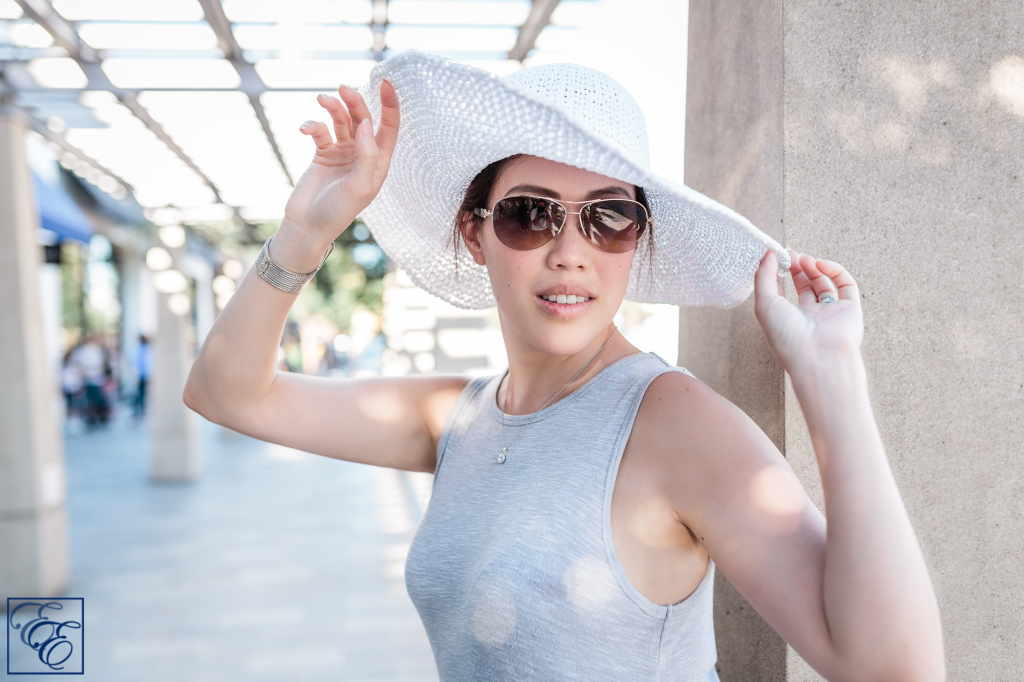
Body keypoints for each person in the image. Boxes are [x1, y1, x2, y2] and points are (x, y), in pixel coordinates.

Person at [185, 52, 944, 681]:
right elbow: (227, 394)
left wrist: (831, 377)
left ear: (638, 241)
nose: (570, 250)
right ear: (475, 233)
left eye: (610, 217)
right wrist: (304, 232)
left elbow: (893, 668)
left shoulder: (675, 425)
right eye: (530, 213)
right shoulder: (459, 418)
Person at [133, 335, 151, 419]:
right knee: (141, 394)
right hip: (143, 375)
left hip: (143, 376)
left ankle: (140, 411)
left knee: (141, 395)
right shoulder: (144, 349)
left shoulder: (143, 349)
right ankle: (140, 411)